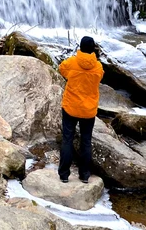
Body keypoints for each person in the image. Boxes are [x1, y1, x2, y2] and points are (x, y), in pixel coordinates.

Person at [58, 36, 104, 183]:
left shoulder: (72, 62)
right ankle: (84, 175)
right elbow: (99, 77)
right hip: (88, 110)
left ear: (80, 47)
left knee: (67, 140)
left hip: (71, 107)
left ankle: (64, 175)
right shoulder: (98, 67)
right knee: (86, 142)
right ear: (93, 49)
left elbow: (61, 69)